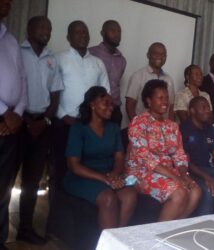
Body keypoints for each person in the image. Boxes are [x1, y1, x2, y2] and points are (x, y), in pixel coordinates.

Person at [51, 20, 110, 211]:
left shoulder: (98, 63)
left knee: (85, 168)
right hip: (65, 123)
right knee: (61, 169)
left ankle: (79, 211)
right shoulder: (58, 58)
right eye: (77, 33)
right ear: (68, 37)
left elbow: (105, 93)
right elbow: (51, 90)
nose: (82, 36)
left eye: (85, 32)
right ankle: (55, 216)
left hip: (90, 126)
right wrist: (63, 116)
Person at [126, 79, 201, 221]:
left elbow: (179, 154)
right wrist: (176, 178)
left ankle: (173, 227)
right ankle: (158, 237)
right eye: (160, 98)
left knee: (196, 191)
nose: (165, 101)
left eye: (166, 97)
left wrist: (183, 174)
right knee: (180, 193)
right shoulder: (138, 122)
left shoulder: (172, 126)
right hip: (142, 172)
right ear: (148, 101)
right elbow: (146, 159)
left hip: (168, 171)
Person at [65, 86, 137, 229]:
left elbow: (119, 158)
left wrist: (115, 175)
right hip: (82, 177)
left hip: (109, 175)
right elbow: (74, 165)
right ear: (92, 105)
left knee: (130, 195)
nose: (110, 107)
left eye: (111, 104)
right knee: (108, 198)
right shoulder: (78, 129)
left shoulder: (113, 128)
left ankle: (115, 240)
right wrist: (105, 179)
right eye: (105, 103)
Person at [19, 16, 63, 245]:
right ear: (29, 28)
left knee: (32, 182)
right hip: (17, 124)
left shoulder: (52, 60)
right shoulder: (17, 53)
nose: (46, 31)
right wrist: (24, 120)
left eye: (50, 27)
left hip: (42, 125)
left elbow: (55, 95)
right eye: (42, 27)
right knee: (5, 180)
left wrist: (44, 120)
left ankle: (24, 229)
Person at [0, 0, 27, 249]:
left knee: (4, 187)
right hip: (2, 119)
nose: (7, 3)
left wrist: (17, 113)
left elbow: (22, 79)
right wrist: (3, 112)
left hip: (10, 125)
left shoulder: (10, 39)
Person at [125, 42, 175, 122]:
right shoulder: (138, 76)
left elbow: (171, 107)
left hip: (163, 130)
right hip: (142, 128)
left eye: (163, 54)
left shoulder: (169, 79)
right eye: (156, 53)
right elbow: (130, 105)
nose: (160, 57)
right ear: (148, 55)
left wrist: (171, 127)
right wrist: (136, 126)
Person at [89, 20, 126, 126]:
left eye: (119, 31)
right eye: (112, 30)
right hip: (95, 110)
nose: (117, 34)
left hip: (114, 110)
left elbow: (116, 83)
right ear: (102, 33)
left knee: (113, 141)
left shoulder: (122, 60)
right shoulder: (91, 53)